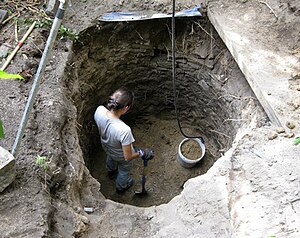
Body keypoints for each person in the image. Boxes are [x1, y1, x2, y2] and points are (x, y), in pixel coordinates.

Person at [94, 87, 154, 193]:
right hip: (120, 156)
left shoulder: (99, 110)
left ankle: (111, 171)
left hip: (107, 147)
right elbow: (128, 157)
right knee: (124, 170)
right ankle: (121, 187)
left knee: (111, 157)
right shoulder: (124, 130)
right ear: (126, 108)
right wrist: (142, 152)